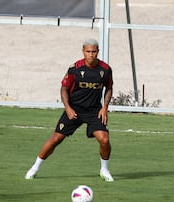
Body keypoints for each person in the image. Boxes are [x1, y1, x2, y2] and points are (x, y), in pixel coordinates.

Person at [25, 38, 115, 182]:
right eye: (88, 52)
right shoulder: (75, 69)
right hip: (74, 109)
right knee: (55, 139)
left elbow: (109, 88)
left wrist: (105, 107)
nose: (91, 54)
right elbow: (64, 88)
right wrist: (67, 107)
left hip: (94, 111)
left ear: (98, 52)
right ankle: (34, 168)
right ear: (83, 52)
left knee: (104, 140)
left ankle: (104, 170)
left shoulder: (105, 69)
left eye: (94, 51)